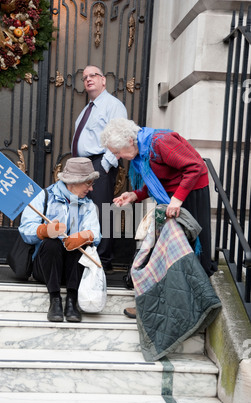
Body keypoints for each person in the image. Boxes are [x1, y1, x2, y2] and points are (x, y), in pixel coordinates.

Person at [100, 118, 217, 317]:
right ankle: (154, 306)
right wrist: (136, 195)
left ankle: (186, 305)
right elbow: (158, 179)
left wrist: (177, 200)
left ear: (129, 140)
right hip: (171, 199)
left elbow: (195, 167)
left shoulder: (161, 142)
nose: (118, 157)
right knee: (161, 252)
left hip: (189, 196)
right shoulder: (143, 151)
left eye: (118, 152)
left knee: (181, 252)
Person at [19, 158, 101, 323]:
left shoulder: (89, 205)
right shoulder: (44, 196)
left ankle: (72, 300)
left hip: (74, 271)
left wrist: (85, 236)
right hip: (45, 268)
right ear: (74, 182)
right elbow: (25, 230)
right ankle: (55, 299)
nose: (91, 188)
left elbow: (95, 234)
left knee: (78, 245)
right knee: (53, 243)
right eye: (88, 183)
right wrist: (43, 231)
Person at [71, 65, 127, 272]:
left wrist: (104, 165)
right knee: (84, 210)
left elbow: (120, 134)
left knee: (102, 210)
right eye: (85, 77)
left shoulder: (113, 105)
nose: (88, 79)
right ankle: (86, 253)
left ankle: (104, 260)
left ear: (104, 80)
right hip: (82, 165)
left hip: (98, 164)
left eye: (93, 75)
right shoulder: (88, 108)